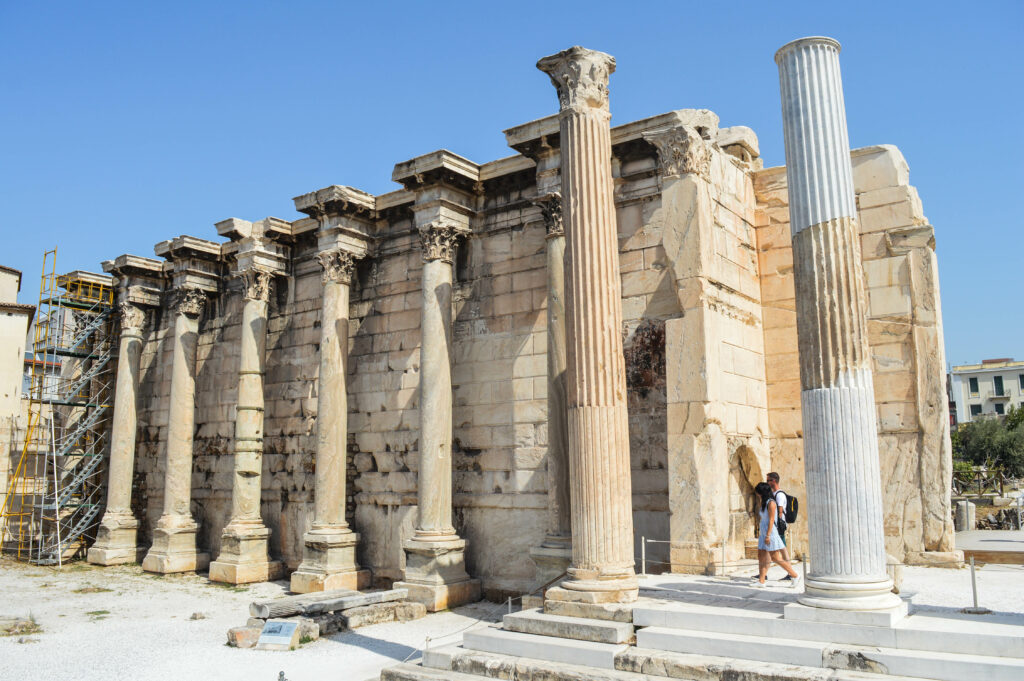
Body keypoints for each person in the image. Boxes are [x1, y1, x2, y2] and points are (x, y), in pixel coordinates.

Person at [754, 482, 799, 586]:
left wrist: (768, 535)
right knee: (761, 556)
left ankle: (795, 575)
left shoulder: (771, 503)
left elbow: (771, 520)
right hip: (763, 533)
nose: (757, 494)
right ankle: (761, 581)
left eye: (758, 492)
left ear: (762, 492)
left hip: (770, 533)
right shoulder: (763, 503)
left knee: (775, 557)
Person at [766, 472, 792, 573]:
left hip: (778, 526)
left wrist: (774, 526)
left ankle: (790, 572)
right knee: (771, 549)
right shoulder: (774, 494)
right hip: (775, 525)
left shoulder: (779, 495)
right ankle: (763, 573)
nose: (767, 482)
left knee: (782, 548)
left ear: (774, 481)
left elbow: (779, 512)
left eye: (768, 480)